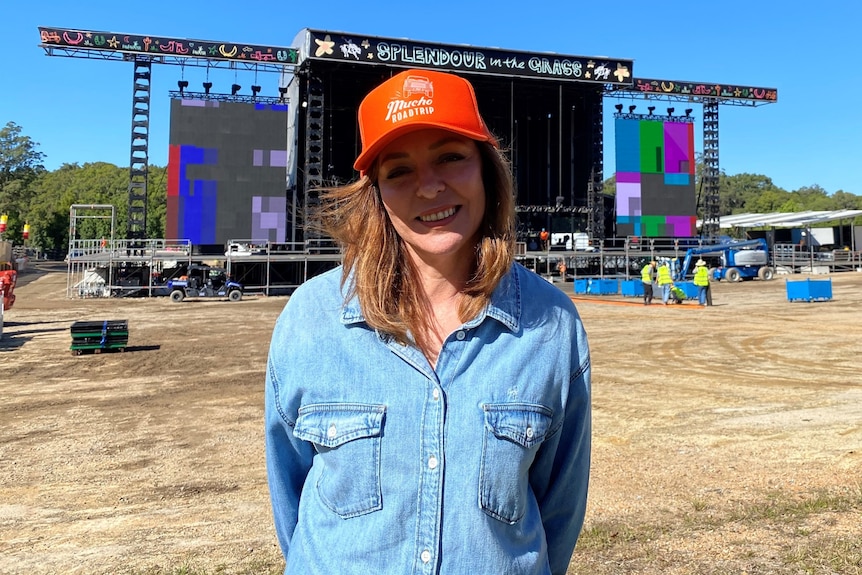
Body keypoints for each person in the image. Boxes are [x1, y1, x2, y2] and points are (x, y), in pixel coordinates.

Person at [264, 69, 592, 575]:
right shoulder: (310, 320)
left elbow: (559, 510)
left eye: (450, 157)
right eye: (399, 171)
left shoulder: (551, 326)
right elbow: (291, 497)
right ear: (375, 192)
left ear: (486, 169)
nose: (430, 187)